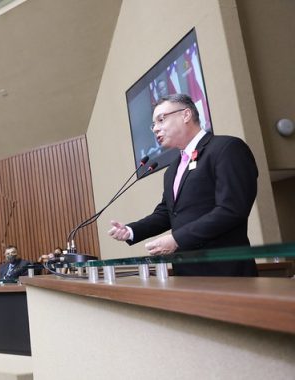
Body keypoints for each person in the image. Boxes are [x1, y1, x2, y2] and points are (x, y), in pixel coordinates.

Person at [108, 93, 258, 276]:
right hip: (186, 273)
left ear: (186, 115)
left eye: (161, 119)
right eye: (153, 124)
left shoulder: (226, 148)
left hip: (226, 271)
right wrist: (131, 231)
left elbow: (232, 209)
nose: (155, 129)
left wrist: (177, 239)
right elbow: (166, 213)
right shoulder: (172, 170)